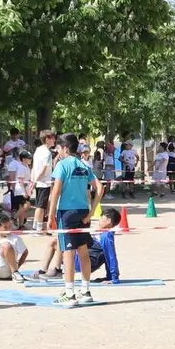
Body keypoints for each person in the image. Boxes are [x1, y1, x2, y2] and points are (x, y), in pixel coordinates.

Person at [47, 133, 106, 307]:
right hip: (83, 211)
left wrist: (50, 215)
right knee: (83, 251)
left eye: (58, 147)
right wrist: (92, 211)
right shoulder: (83, 164)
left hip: (66, 212)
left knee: (68, 252)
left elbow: (56, 191)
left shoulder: (62, 165)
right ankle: (86, 290)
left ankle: (70, 293)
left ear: (64, 148)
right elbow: (100, 188)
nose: (58, 151)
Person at [39, 207, 121, 284]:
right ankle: (46, 270)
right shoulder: (102, 233)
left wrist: (113, 278)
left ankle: (53, 270)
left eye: (102, 218)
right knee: (56, 242)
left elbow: (110, 256)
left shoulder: (106, 236)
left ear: (108, 221)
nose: (100, 220)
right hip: (83, 257)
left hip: (85, 261)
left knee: (57, 242)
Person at [30, 130, 57, 230]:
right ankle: (38, 228)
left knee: (39, 205)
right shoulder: (47, 153)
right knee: (41, 206)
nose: (54, 140)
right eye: (53, 138)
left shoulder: (38, 150)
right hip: (44, 183)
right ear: (47, 139)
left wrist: (33, 180)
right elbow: (44, 169)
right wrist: (35, 181)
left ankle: (36, 226)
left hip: (39, 182)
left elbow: (34, 166)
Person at [7, 150, 33, 228]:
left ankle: (21, 225)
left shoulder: (26, 167)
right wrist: (24, 192)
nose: (30, 160)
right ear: (24, 159)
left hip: (25, 189)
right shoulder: (21, 168)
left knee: (22, 208)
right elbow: (21, 180)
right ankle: (14, 218)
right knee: (26, 205)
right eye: (28, 158)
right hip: (21, 190)